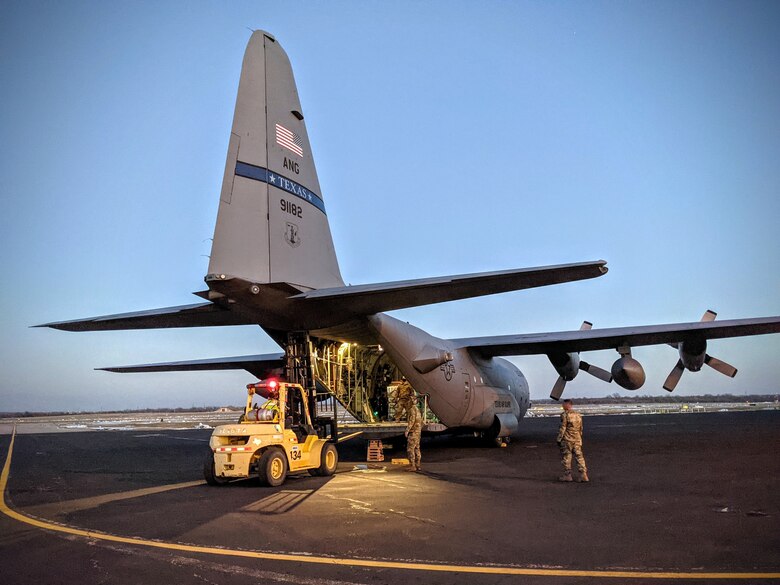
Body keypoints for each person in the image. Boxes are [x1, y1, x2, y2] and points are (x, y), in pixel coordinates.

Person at [557, 398, 588, 483]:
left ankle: (567, 475)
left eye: (563, 404)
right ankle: (583, 475)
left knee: (567, 457)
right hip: (577, 439)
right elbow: (581, 428)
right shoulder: (578, 415)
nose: (562, 406)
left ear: (568, 405)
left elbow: (563, 428)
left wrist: (559, 439)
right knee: (579, 456)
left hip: (567, 439)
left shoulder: (565, 415)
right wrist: (578, 437)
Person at [405, 395, 423, 472]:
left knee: (410, 449)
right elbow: (421, 422)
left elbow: (412, 420)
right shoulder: (418, 410)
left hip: (413, 432)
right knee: (417, 448)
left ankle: (412, 465)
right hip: (418, 432)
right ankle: (418, 464)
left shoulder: (412, 409)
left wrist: (407, 430)